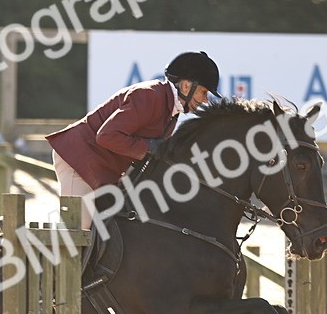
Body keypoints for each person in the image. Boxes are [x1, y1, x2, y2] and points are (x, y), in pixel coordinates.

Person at [47, 51, 222, 228]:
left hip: (101, 168)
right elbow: (107, 136)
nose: (205, 100)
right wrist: (149, 147)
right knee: (79, 228)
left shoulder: (171, 112)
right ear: (186, 86)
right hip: (78, 158)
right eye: (203, 92)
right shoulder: (149, 96)